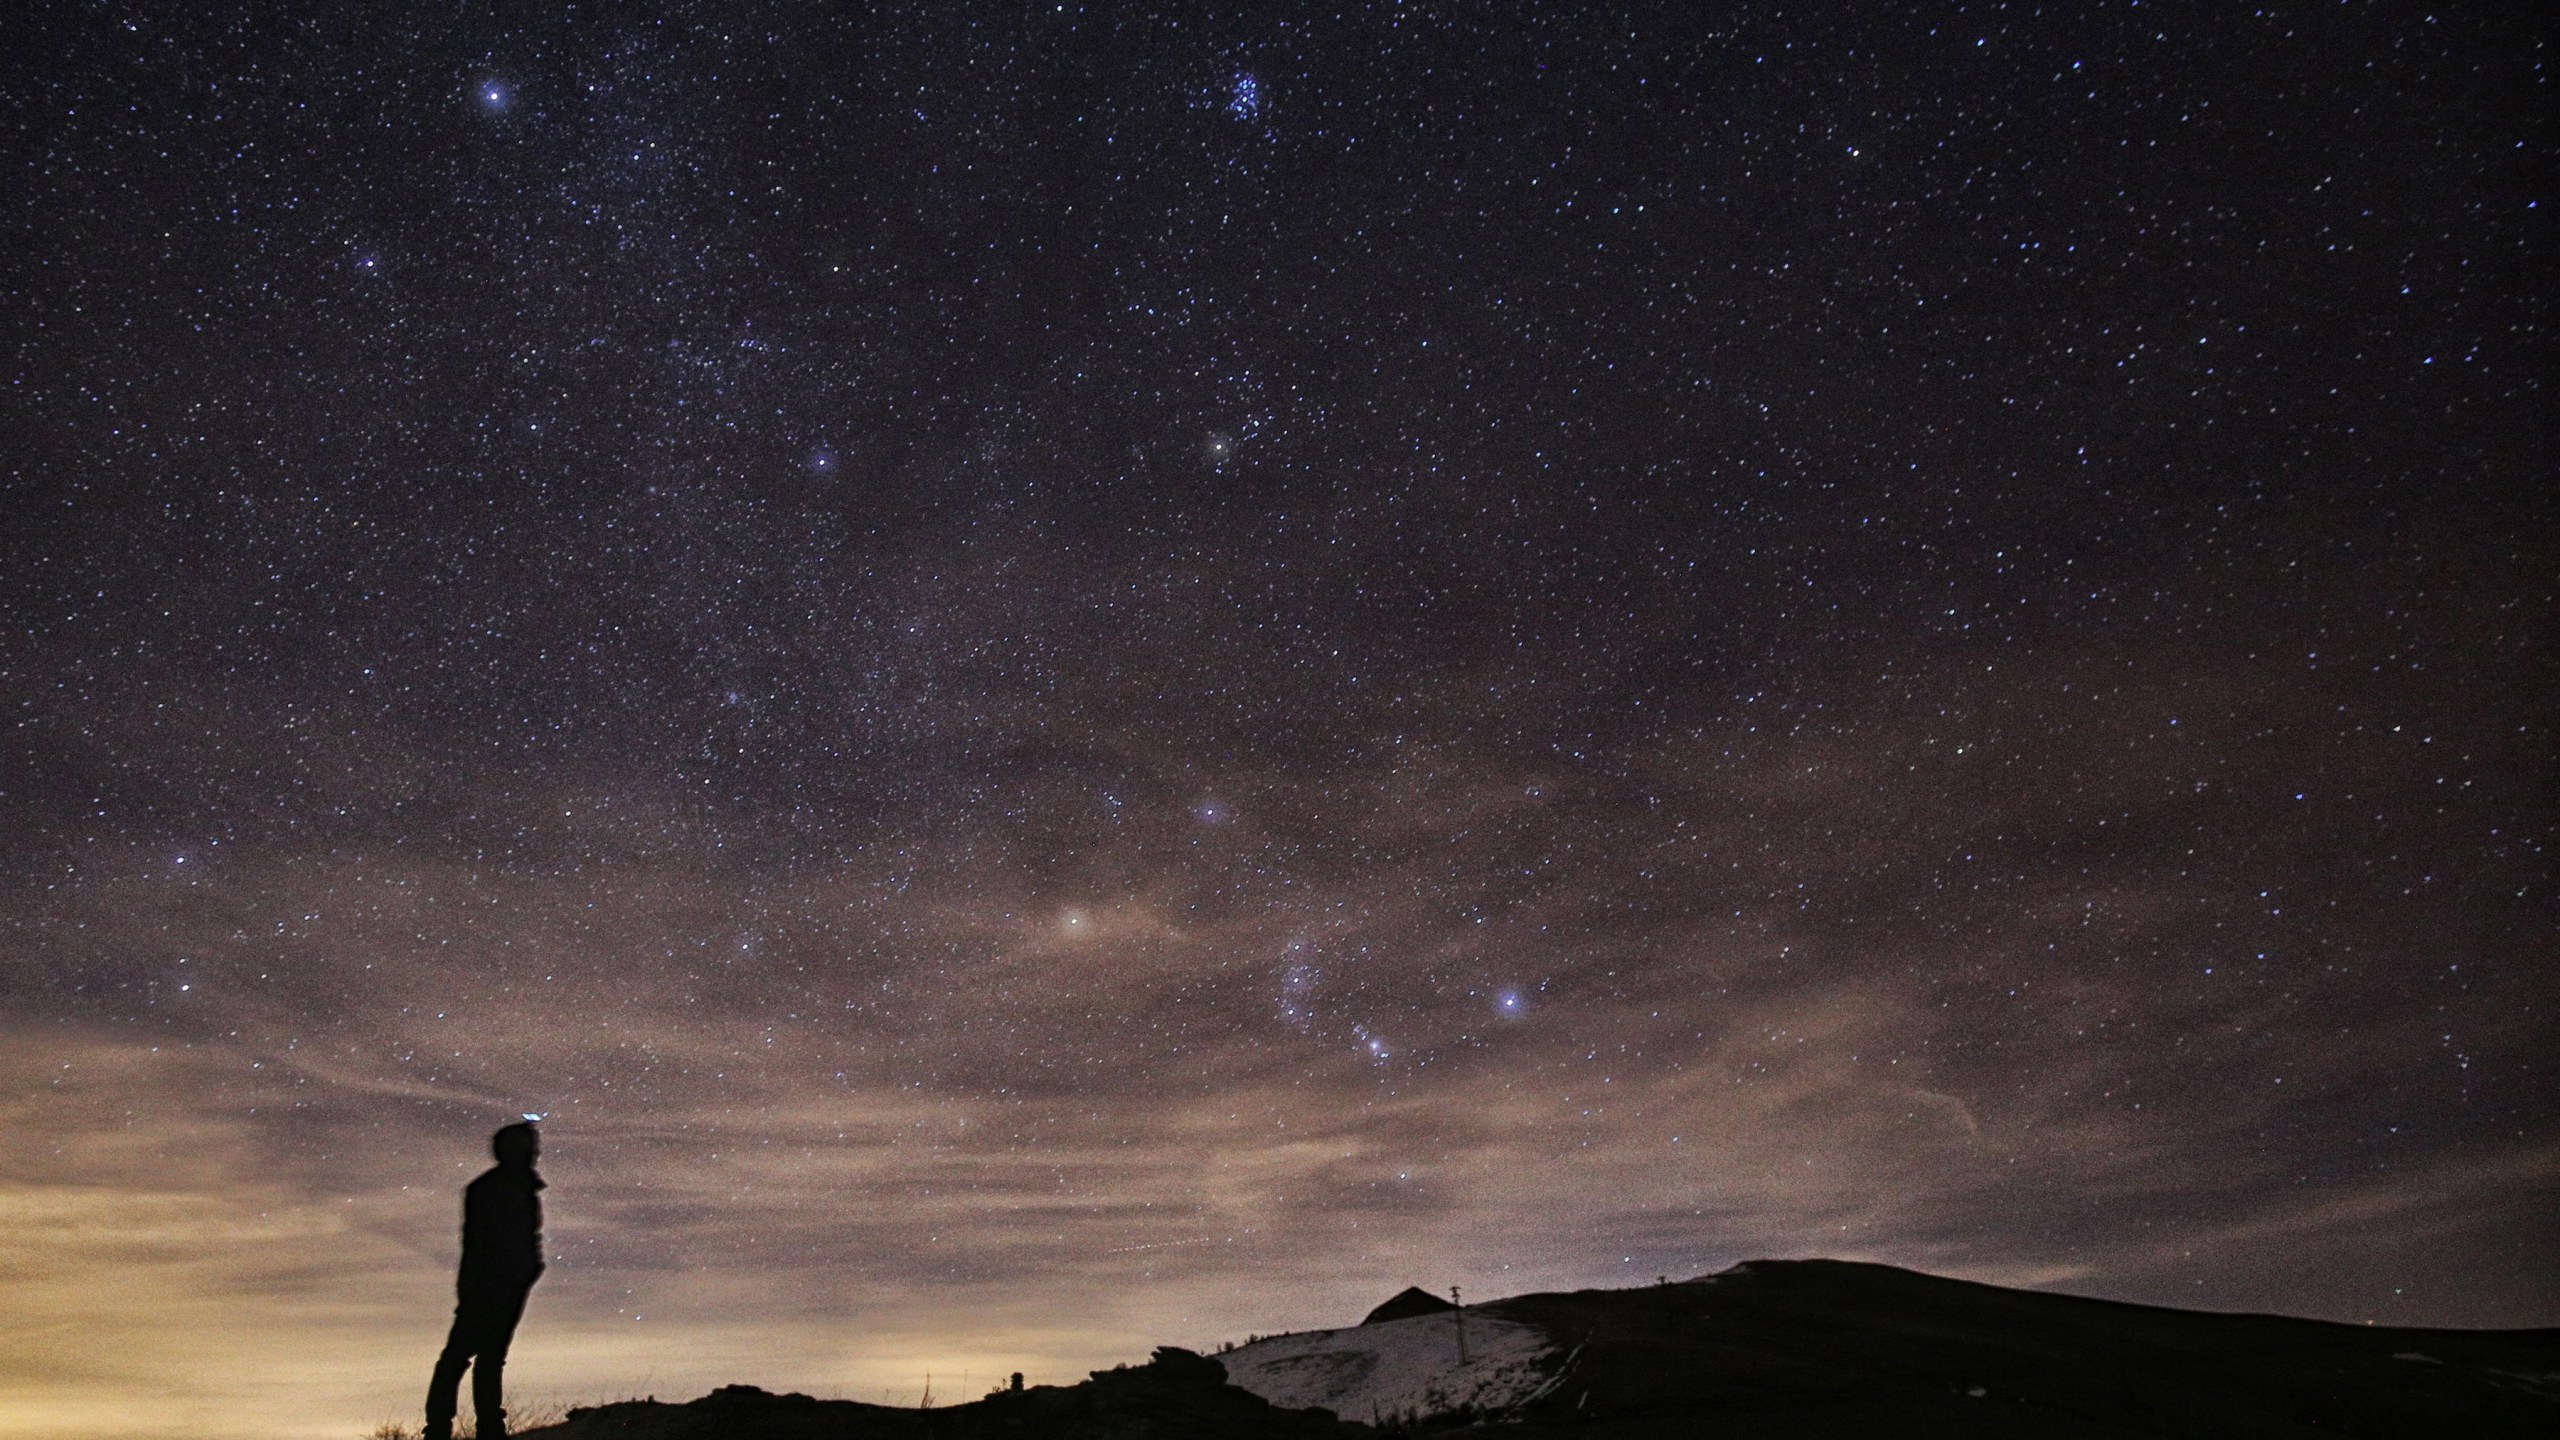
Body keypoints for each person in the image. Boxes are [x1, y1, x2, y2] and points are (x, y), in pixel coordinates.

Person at [424, 1122, 546, 1440]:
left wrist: (530, 1268)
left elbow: (528, 1236)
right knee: (461, 1354)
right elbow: (479, 1242)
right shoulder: (490, 1189)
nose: (535, 1153)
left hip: (509, 1282)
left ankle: (487, 1426)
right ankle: (440, 1428)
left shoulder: (520, 1188)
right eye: (528, 1146)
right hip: (487, 1283)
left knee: (488, 1355)